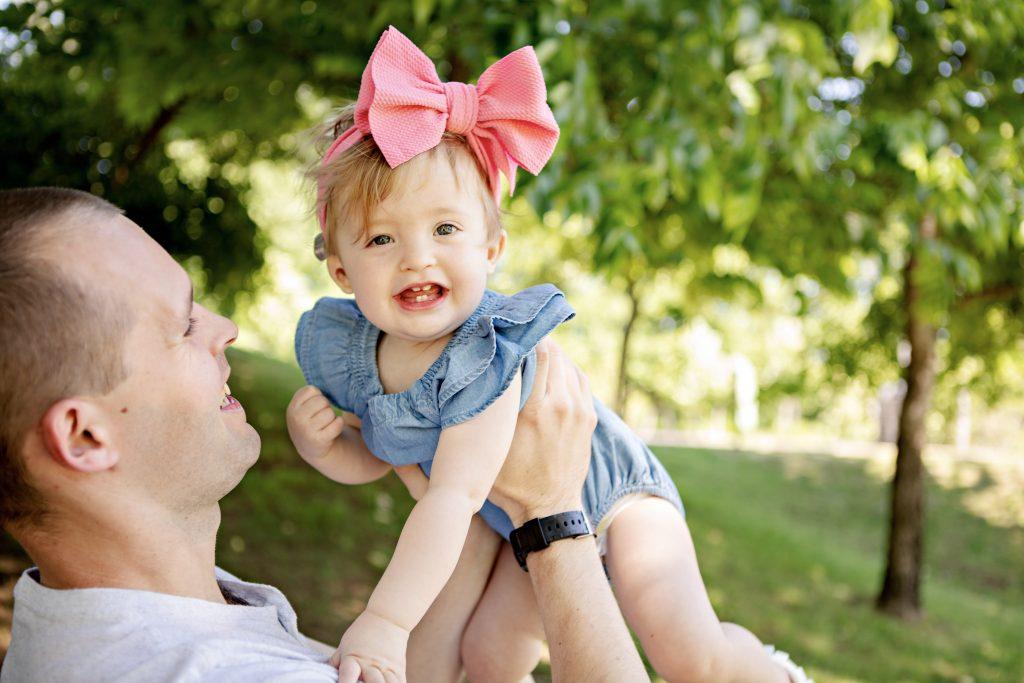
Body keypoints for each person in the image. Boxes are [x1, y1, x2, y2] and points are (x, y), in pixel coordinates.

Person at [291, 25, 810, 683]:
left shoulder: (486, 354)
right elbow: (387, 451)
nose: (417, 255)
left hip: (612, 492)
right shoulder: (363, 354)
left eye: (445, 228)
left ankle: (771, 669)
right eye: (382, 239)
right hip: (521, 520)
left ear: (491, 250)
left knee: (691, 658)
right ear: (341, 271)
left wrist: (386, 621)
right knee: (489, 656)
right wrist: (326, 449)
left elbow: (451, 496)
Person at [0, 186, 649, 682]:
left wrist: (470, 483)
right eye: (183, 324)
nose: (224, 327)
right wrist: (554, 516)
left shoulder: (78, 617)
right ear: (84, 436)